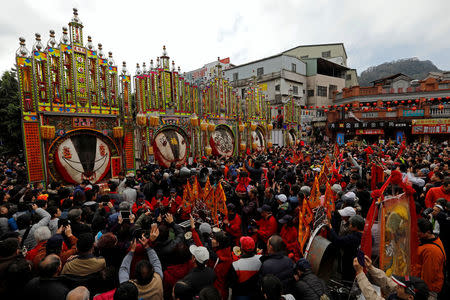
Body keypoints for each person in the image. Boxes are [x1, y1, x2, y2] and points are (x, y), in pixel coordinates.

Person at [354, 255, 429, 300]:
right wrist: (370, 267)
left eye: (400, 286)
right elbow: (387, 281)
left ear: (410, 297)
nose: (397, 286)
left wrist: (360, 273)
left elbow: (373, 298)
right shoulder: (403, 294)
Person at [119, 227, 163, 300]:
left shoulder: (127, 289)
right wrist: (148, 244)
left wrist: (132, 250)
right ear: (152, 272)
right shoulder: (158, 280)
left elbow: (124, 269)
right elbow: (155, 261)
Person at [415, 218, 446, 300]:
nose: (416, 233)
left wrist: (420, 291)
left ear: (428, 232)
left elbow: (428, 276)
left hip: (428, 290)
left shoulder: (431, 251)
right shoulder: (432, 239)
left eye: (419, 232)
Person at [326, 215, 364, 281]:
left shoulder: (353, 238)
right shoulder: (367, 235)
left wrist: (330, 228)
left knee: (347, 279)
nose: (349, 226)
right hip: (360, 262)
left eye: (350, 224)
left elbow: (338, 241)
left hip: (350, 263)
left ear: (355, 227)